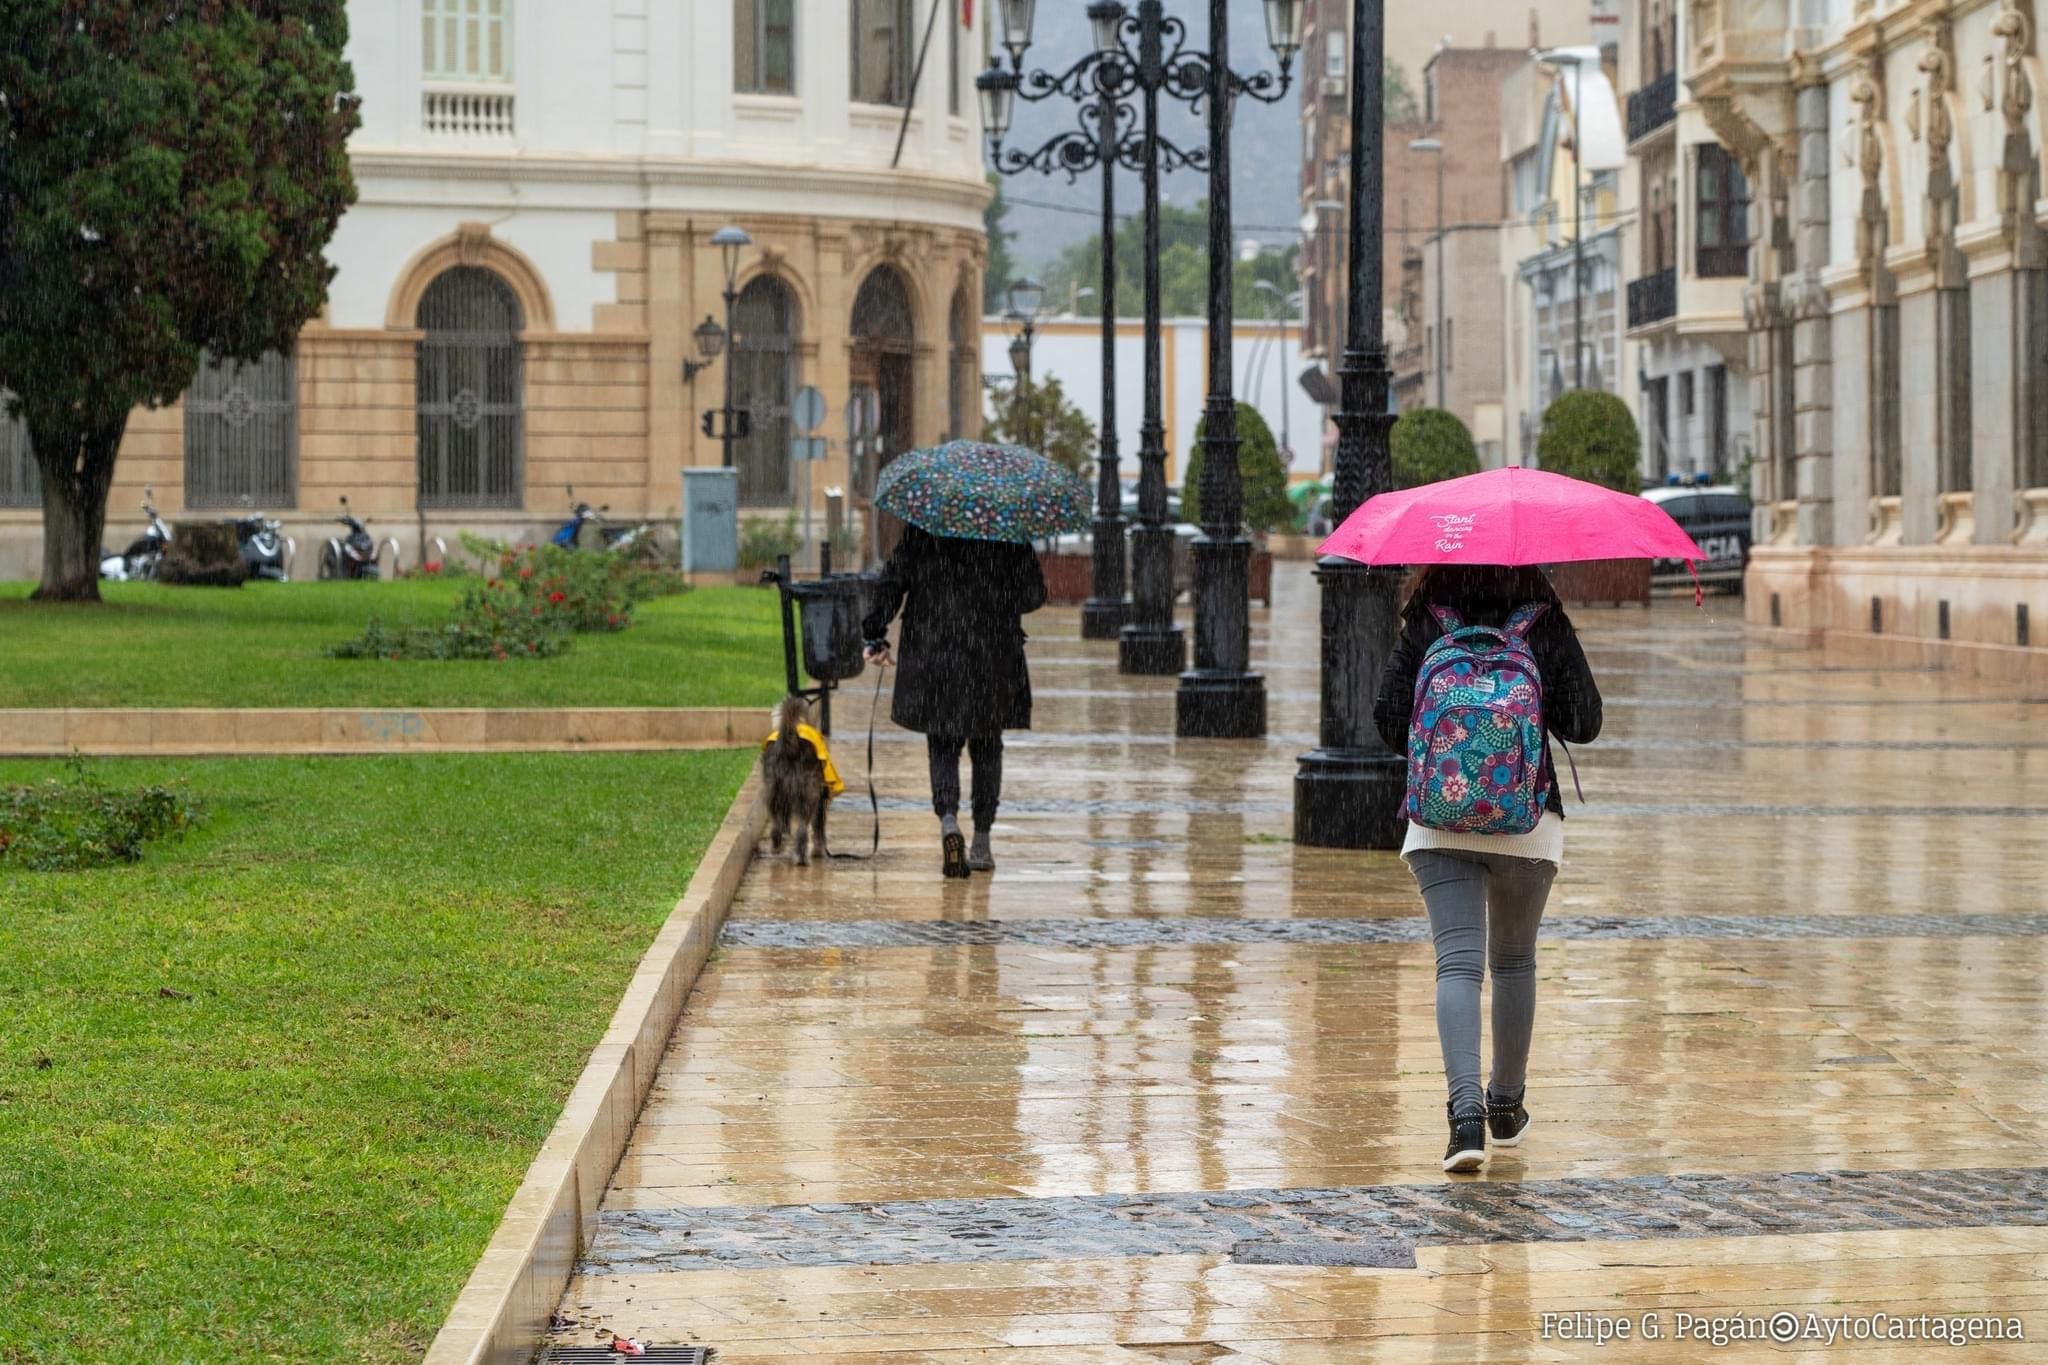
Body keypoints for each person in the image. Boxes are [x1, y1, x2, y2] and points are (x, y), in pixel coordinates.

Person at [1372, 564, 1603, 1174]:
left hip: (1437, 820)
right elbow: (1587, 723)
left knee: (1458, 964)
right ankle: (1506, 1103)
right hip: (1528, 819)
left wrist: (1453, 754)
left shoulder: (1428, 616)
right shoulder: (1541, 618)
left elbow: (1388, 719)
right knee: (1514, 961)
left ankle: (1465, 1118)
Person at [862, 524, 1047, 878]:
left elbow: (893, 580)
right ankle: (981, 840)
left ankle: (948, 819)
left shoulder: (926, 526)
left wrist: (875, 631)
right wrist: (996, 591)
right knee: (988, 744)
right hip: (992, 651)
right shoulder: (1006, 528)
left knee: (943, 741)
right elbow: (1033, 595)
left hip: (936, 648)